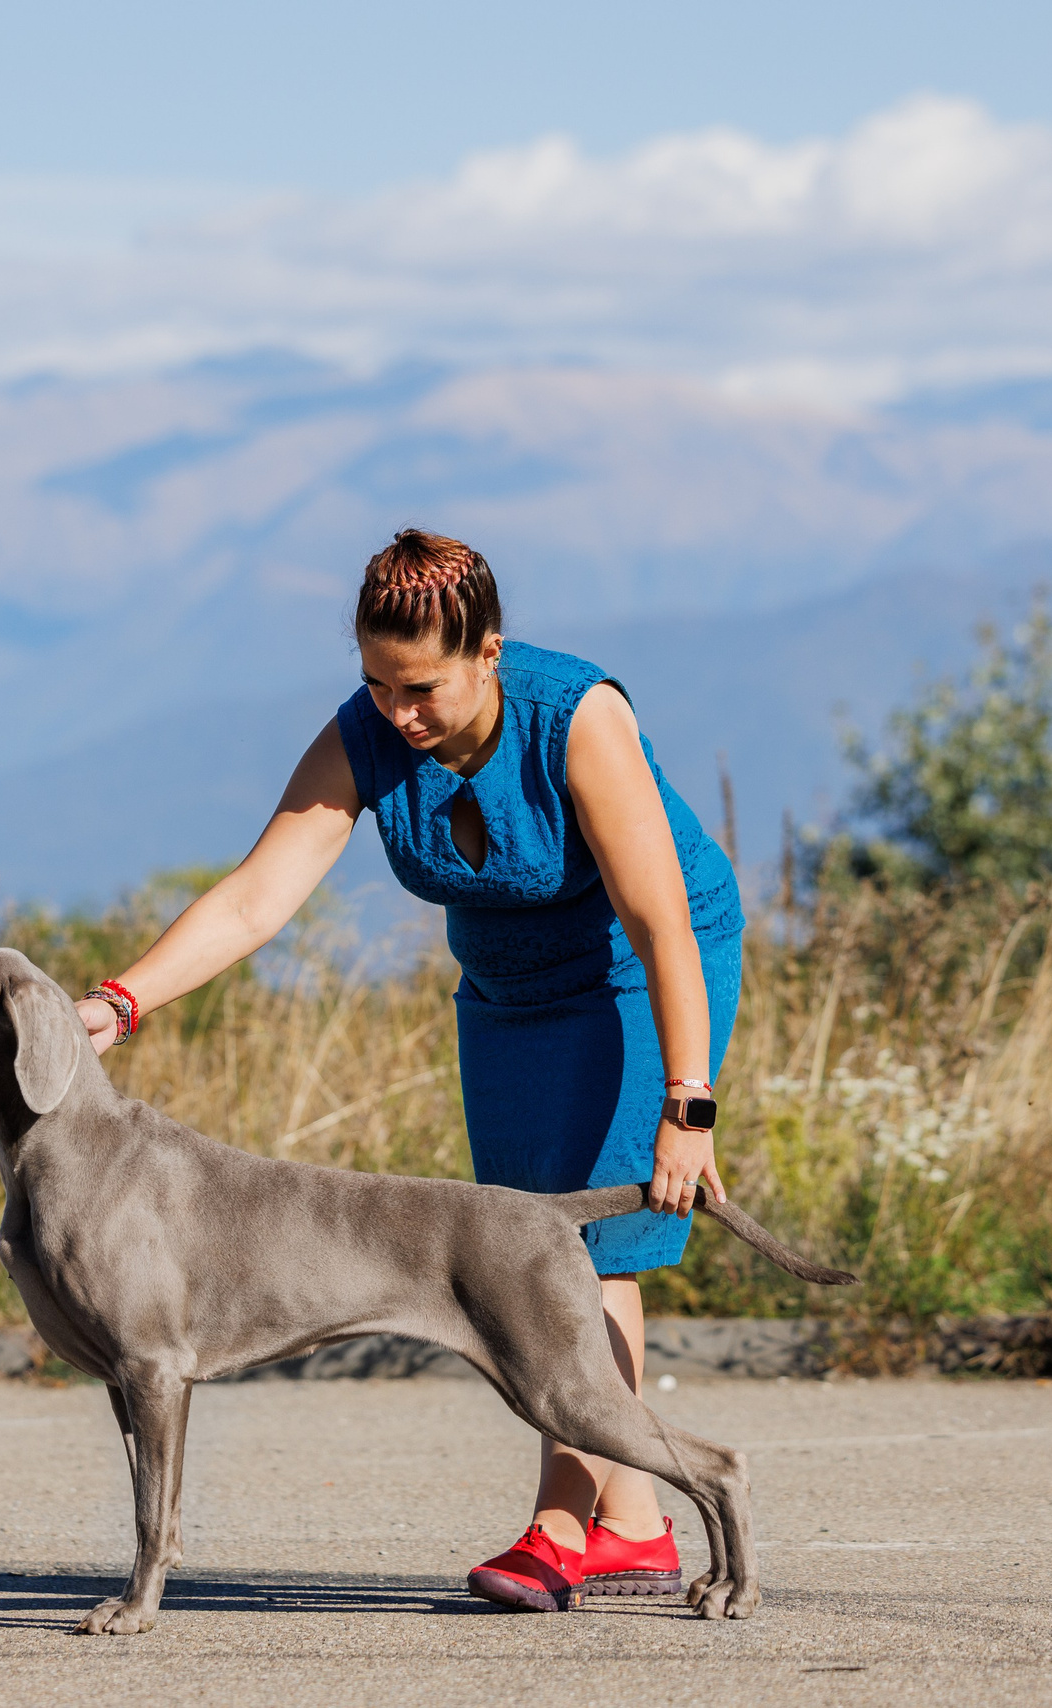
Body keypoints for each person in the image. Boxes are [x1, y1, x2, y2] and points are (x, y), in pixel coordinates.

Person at [74, 528, 744, 1613]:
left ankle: (562, 1526)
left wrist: (689, 1101)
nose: (399, 713)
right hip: (509, 996)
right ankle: (634, 1528)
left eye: (422, 687)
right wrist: (120, 1000)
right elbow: (254, 899)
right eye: (377, 684)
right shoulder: (369, 735)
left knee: (592, 1247)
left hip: (640, 974)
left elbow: (659, 917)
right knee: (528, 1227)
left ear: (490, 652)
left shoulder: (576, 717)